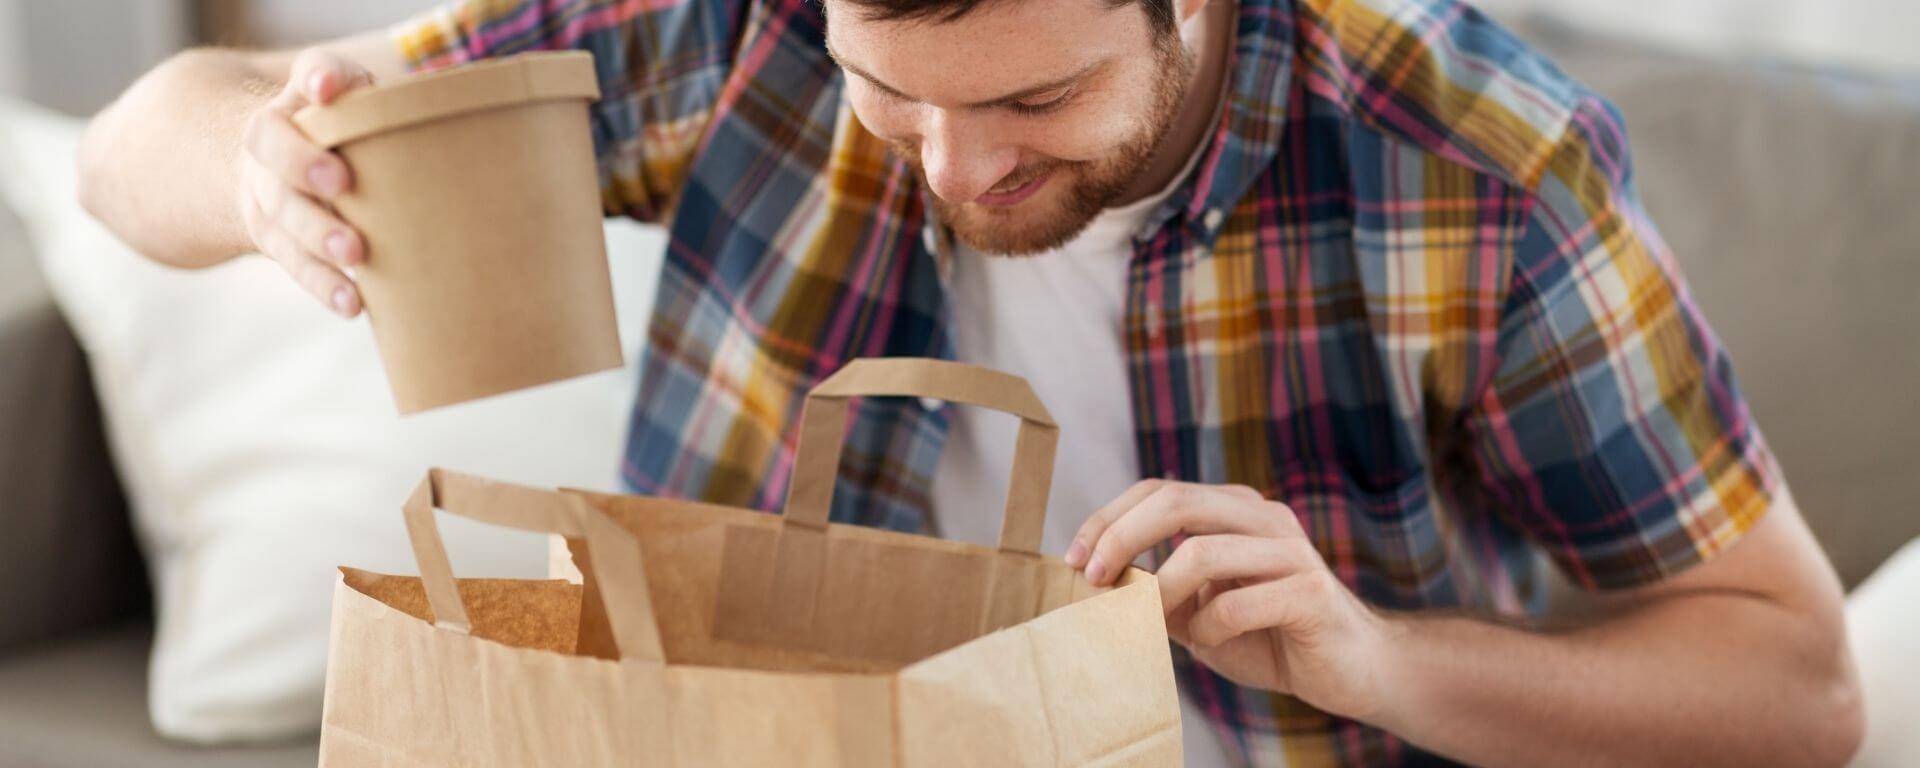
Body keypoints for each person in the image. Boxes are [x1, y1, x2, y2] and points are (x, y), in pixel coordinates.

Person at [78, 0, 1864, 764]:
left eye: (1037, 103)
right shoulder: (733, 27)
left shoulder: (1475, 169)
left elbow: (1795, 690)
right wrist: (255, 166)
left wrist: (1382, 663)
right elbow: (138, 145)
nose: (950, 168)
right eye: (889, 89)